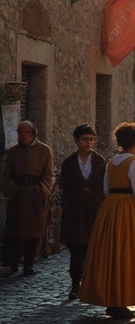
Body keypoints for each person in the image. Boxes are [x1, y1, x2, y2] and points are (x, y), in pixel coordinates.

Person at [79, 122, 135, 319]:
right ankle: (121, 299)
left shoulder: (111, 162)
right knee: (127, 253)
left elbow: (106, 189)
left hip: (111, 209)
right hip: (129, 211)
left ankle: (112, 300)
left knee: (111, 254)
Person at [59, 124, 106, 299]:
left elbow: (104, 185)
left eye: (91, 139)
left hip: (93, 211)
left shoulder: (100, 161)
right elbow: (63, 185)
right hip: (74, 211)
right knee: (76, 249)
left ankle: (91, 283)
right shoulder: (70, 163)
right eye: (85, 139)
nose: (88, 143)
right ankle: (75, 283)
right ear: (77, 141)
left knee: (91, 249)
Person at [3, 120, 54, 275]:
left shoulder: (44, 150)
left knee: (35, 229)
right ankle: (13, 262)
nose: (18, 136)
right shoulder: (13, 152)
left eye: (21, 133)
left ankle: (29, 263)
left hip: (36, 194)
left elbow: (49, 174)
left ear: (31, 133)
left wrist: (43, 190)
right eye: (18, 133)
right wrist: (12, 191)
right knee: (15, 228)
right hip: (18, 193)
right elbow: (7, 176)